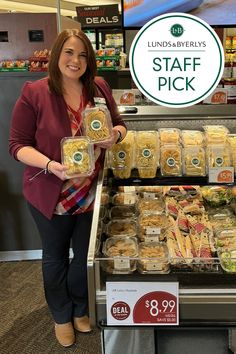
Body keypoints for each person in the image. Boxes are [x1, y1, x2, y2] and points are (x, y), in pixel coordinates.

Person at [9, 28, 127, 348]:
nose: (76, 61)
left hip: (90, 191)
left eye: (83, 55)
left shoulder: (98, 87)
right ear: (57, 55)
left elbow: (120, 125)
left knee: (83, 258)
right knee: (56, 256)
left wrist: (112, 136)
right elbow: (17, 145)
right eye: (69, 53)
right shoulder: (35, 92)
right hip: (51, 191)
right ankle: (61, 315)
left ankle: (80, 308)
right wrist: (50, 165)